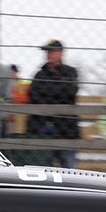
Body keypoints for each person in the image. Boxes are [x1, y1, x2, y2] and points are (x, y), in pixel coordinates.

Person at [28, 39, 80, 169]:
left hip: (66, 129)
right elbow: (33, 96)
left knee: (68, 170)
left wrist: (47, 92)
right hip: (42, 128)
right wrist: (58, 90)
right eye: (47, 52)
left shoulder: (70, 72)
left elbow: (70, 92)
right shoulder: (40, 74)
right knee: (42, 168)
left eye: (52, 51)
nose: (48, 54)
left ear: (60, 53)